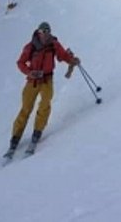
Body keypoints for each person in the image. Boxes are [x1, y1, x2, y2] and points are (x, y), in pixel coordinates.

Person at [4, 21, 80, 157]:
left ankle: (37, 133)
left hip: (47, 79)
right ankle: (15, 139)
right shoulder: (31, 46)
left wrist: (72, 60)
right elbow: (20, 62)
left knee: (45, 105)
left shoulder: (54, 44)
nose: (45, 34)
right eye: (42, 32)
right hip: (32, 81)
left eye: (47, 32)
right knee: (26, 109)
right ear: (38, 32)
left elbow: (62, 55)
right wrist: (29, 72)